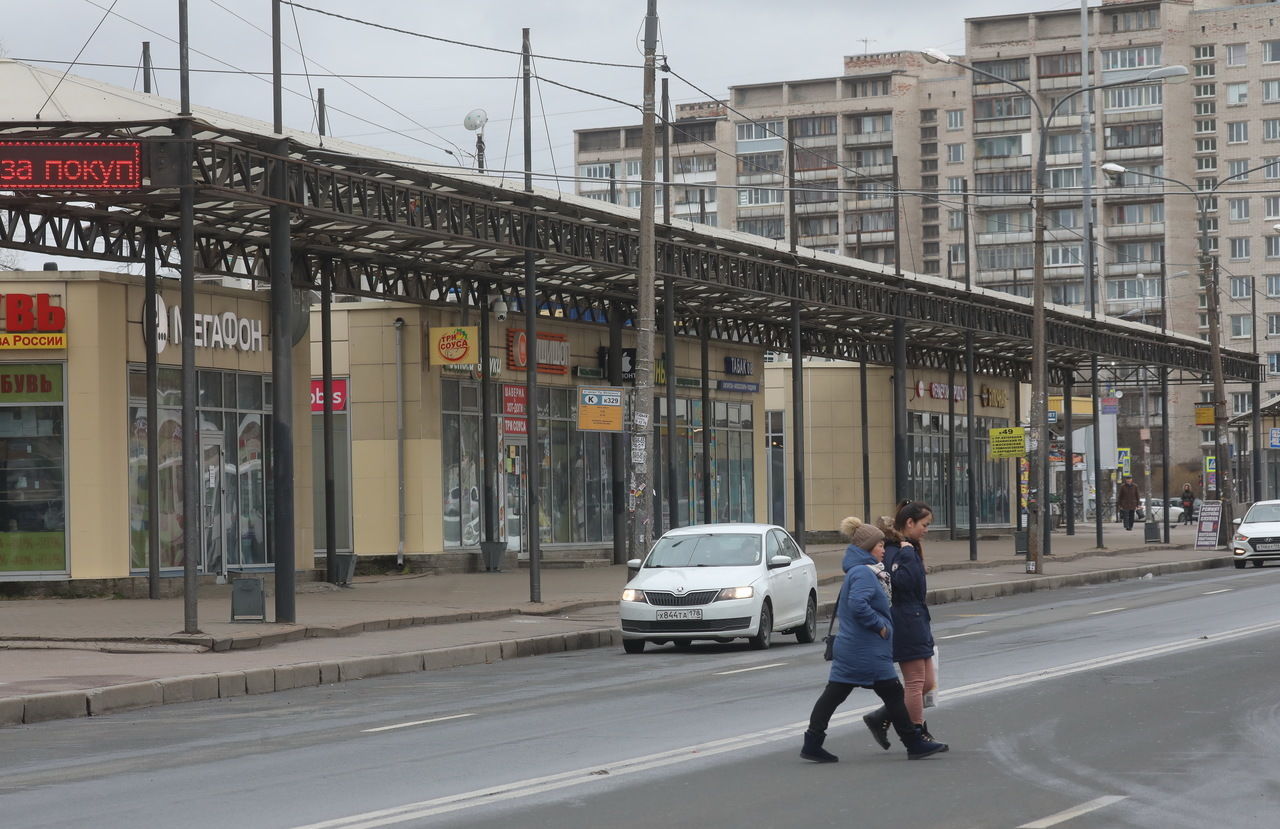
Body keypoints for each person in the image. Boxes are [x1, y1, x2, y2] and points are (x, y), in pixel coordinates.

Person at [800, 516, 948, 763]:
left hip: (856, 648)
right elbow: (858, 604)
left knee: (834, 694)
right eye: (879, 546)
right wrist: (879, 625)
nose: (883, 550)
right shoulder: (864, 573)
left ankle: (812, 742)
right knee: (892, 693)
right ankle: (913, 742)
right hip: (865, 649)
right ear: (868, 548)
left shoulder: (862, 571)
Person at [865, 501, 942, 747]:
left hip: (917, 618)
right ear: (910, 523)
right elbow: (899, 584)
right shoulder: (896, 550)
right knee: (916, 681)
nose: (926, 530)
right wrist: (908, 554)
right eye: (924, 525)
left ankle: (882, 716)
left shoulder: (909, 547)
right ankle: (916, 734)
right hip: (905, 620)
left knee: (928, 682)